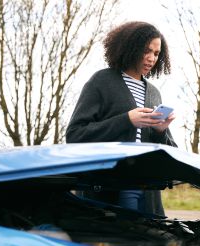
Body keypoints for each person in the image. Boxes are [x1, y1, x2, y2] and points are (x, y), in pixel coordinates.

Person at [66, 21, 176, 216]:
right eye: (146, 51)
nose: (151, 58)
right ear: (130, 47)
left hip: (148, 192)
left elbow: (169, 151)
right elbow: (75, 134)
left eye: (156, 54)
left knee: (149, 245)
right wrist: (126, 120)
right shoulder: (101, 81)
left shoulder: (154, 93)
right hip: (107, 189)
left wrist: (161, 131)